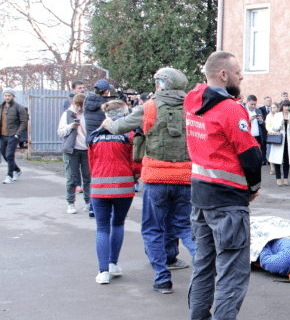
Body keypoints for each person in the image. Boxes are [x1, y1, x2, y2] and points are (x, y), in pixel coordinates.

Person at [184, 51, 264, 320]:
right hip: (228, 202)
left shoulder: (192, 101)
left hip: (201, 197)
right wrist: (254, 188)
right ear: (223, 76)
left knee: (203, 268)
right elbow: (251, 157)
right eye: (238, 72)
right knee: (233, 272)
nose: (241, 77)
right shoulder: (231, 110)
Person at [103, 67, 195, 294]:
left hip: (156, 178)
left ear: (162, 84)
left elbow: (117, 127)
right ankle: (205, 268)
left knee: (153, 228)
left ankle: (162, 279)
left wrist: (106, 123)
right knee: (185, 226)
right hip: (186, 177)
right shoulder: (192, 107)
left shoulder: (149, 107)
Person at [87, 99, 140, 285]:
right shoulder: (129, 135)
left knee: (102, 227)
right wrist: (135, 176)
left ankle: (103, 272)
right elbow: (136, 161)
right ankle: (113, 264)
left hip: (99, 187)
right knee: (118, 224)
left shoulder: (94, 136)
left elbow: (91, 164)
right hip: (124, 187)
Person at [59, 92, 92, 213]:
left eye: (81, 105)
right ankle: (70, 203)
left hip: (86, 150)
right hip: (71, 150)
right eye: (77, 105)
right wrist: (70, 126)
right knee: (71, 178)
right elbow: (60, 131)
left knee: (87, 178)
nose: (79, 108)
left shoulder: (89, 115)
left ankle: (88, 202)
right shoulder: (67, 114)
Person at [1, 89, 28, 184]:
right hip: (2, 136)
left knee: (9, 155)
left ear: (13, 96)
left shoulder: (19, 107)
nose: (7, 97)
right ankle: (17, 170)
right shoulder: (1, 107)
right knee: (4, 155)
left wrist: (18, 134)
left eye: (9, 95)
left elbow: (24, 122)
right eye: (5, 95)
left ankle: (9, 176)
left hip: (13, 135)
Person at [267, 101, 290, 186]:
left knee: (286, 160)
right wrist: (281, 124)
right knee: (277, 160)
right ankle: (278, 178)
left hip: (288, 140)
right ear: (282, 107)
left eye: (288, 106)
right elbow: (274, 127)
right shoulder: (277, 115)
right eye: (285, 106)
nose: (287, 108)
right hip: (279, 139)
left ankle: (286, 178)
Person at [257, 95, 273, 163]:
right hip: (263, 130)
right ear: (264, 102)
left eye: (270, 101)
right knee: (263, 146)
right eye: (267, 101)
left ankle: (270, 159)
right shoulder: (260, 109)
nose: (269, 102)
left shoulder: (273, 109)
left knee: (270, 146)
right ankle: (263, 159)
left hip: (271, 130)